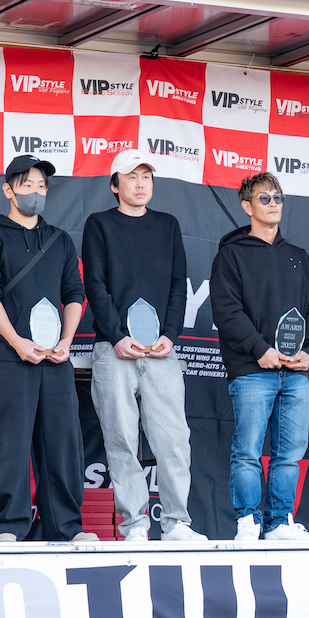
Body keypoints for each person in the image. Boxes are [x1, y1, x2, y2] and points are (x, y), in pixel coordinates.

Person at [0, 154, 97, 543]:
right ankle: (6, 526)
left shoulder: (59, 239)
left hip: (54, 358)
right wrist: (16, 341)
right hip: (8, 354)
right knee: (7, 441)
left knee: (62, 442)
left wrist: (66, 341)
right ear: (8, 190)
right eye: (27, 185)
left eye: (42, 186)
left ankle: (66, 527)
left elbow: (74, 293)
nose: (36, 192)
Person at [81, 150, 206, 542]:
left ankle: (176, 523)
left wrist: (171, 334)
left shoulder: (167, 225)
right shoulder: (99, 224)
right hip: (114, 350)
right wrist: (117, 336)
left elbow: (178, 285)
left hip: (161, 351)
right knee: (121, 440)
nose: (140, 184)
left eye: (146, 176)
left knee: (174, 439)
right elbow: (95, 285)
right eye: (131, 177)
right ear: (115, 185)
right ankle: (134, 524)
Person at [211, 172, 309, 541]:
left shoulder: (299, 257)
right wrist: (259, 349)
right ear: (247, 206)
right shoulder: (231, 255)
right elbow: (227, 312)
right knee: (247, 451)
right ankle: (248, 521)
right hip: (252, 369)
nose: (273, 203)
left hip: (295, 373)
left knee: (289, 454)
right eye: (265, 198)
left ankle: (280, 523)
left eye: (278, 197)